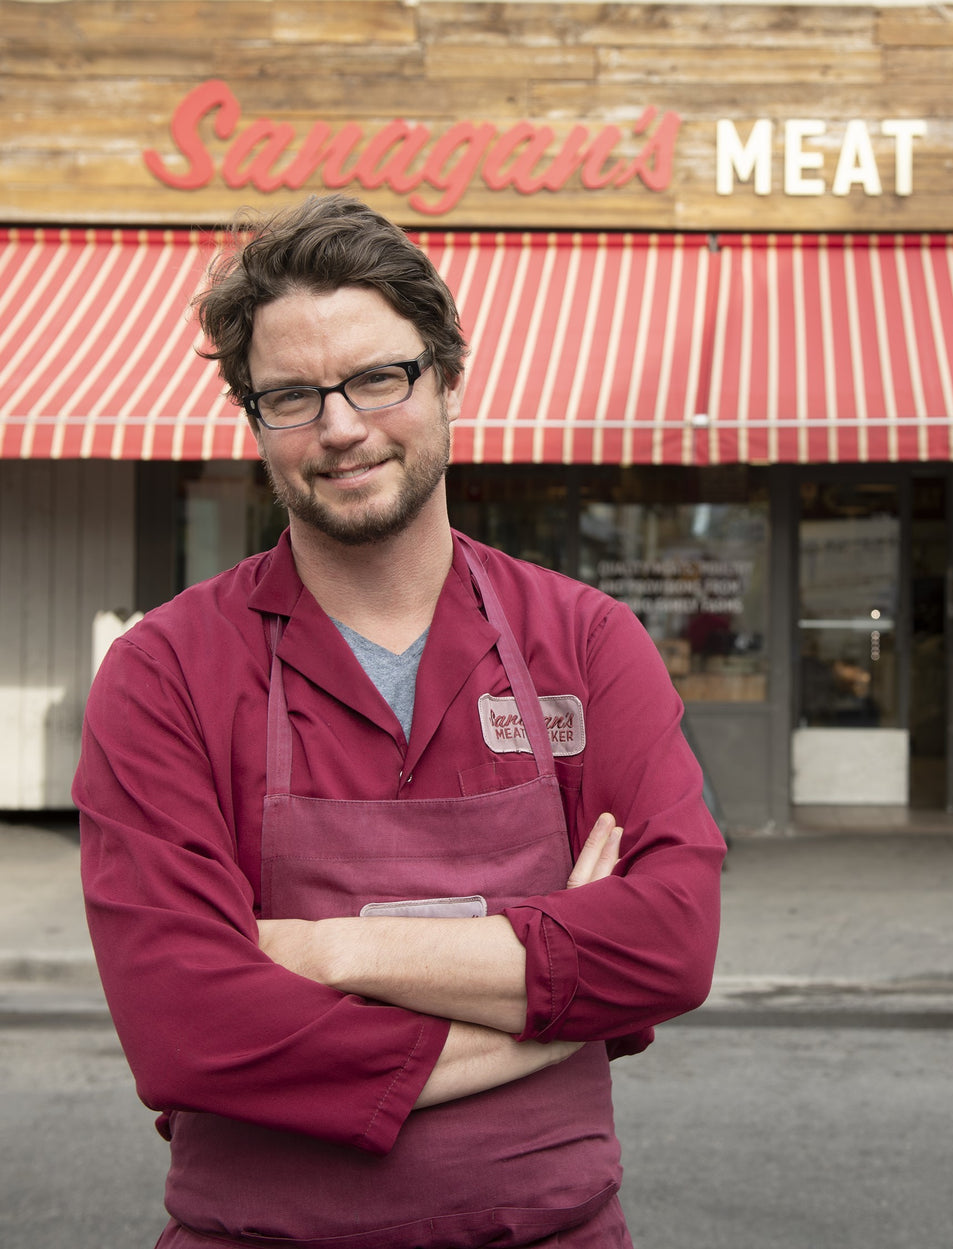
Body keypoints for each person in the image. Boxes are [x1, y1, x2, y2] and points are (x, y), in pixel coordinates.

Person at [73, 193, 727, 1249]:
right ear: (254, 419)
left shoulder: (585, 642)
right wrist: (559, 1011)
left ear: (447, 376)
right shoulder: (165, 674)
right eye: (292, 396)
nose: (340, 427)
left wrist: (326, 950)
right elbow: (188, 1028)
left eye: (379, 377)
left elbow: (670, 946)